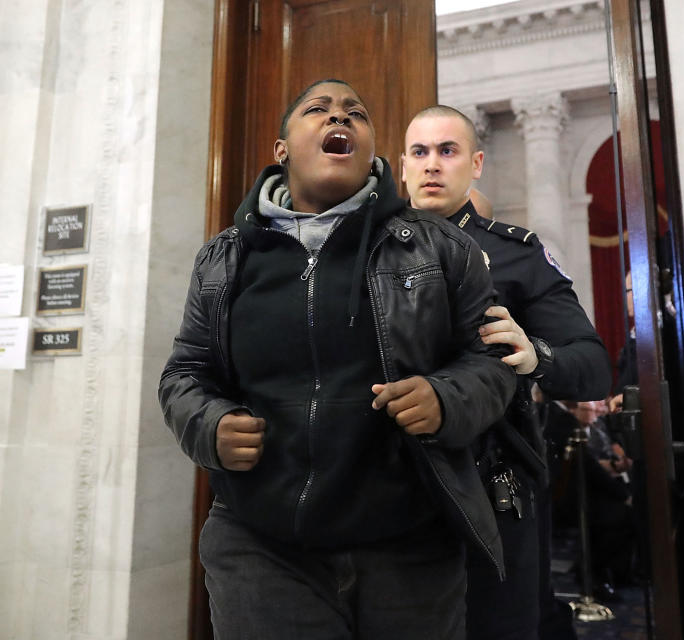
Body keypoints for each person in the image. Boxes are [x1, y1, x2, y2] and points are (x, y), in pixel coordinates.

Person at [158, 80, 516, 640]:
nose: (338, 117)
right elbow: (185, 374)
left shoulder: (440, 246)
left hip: (410, 547)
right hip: (262, 548)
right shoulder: (224, 258)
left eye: (356, 112)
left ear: (371, 149)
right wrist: (210, 425)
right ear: (282, 151)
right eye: (317, 110)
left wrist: (445, 397)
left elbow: (493, 362)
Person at [401, 105, 611, 640]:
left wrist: (538, 352)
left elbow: (592, 365)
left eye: (447, 151)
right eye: (419, 152)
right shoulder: (365, 251)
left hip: (492, 482)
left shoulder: (515, 254)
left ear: (474, 164)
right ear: (402, 166)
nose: (431, 165)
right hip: (393, 485)